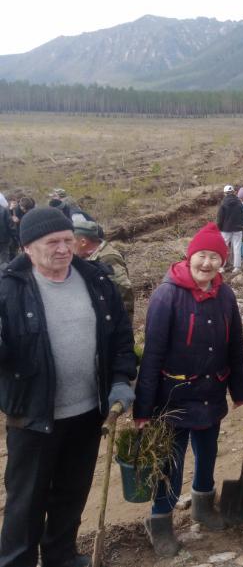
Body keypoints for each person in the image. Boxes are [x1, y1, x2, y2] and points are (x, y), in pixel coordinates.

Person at [0, 207, 137, 567]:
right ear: (27, 247)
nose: (64, 249)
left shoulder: (96, 279)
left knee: (71, 494)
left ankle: (61, 556)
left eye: (68, 240)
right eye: (52, 242)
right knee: (25, 503)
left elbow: (121, 337)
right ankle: (18, 562)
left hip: (87, 412)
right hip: (33, 416)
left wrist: (121, 380)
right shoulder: (9, 289)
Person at [133, 223, 243, 556]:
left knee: (208, 452)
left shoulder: (225, 295)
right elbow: (152, 355)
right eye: (202, 255)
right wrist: (143, 409)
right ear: (190, 256)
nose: (207, 263)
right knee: (170, 462)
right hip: (173, 398)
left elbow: (236, 345)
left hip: (212, 393)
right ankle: (161, 521)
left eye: (215, 256)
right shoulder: (167, 295)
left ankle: (202, 505)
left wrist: (239, 389)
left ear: (222, 261)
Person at [73, 219, 135, 323]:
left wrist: (121, 325)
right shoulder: (86, 257)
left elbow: (124, 293)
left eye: (70, 241)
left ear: (83, 242)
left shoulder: (108, 258)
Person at [216, 185, 243, 273]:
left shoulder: (223, 204)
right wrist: (241, 226)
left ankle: (221, 267)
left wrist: (219, 228)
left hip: (225, 229)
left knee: (223, 247)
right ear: (233, 192)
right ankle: (237, 267)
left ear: (225, 193)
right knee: (237, 247)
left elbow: (220, 218)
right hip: (238, 228)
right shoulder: (239, 202)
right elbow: (242, 215)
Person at [0, 202, 15, 267]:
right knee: (4, 258)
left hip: (4, 238)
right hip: (4, 238)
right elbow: (10, 225)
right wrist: (15, 236)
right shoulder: (4, 210)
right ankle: (4, 275)